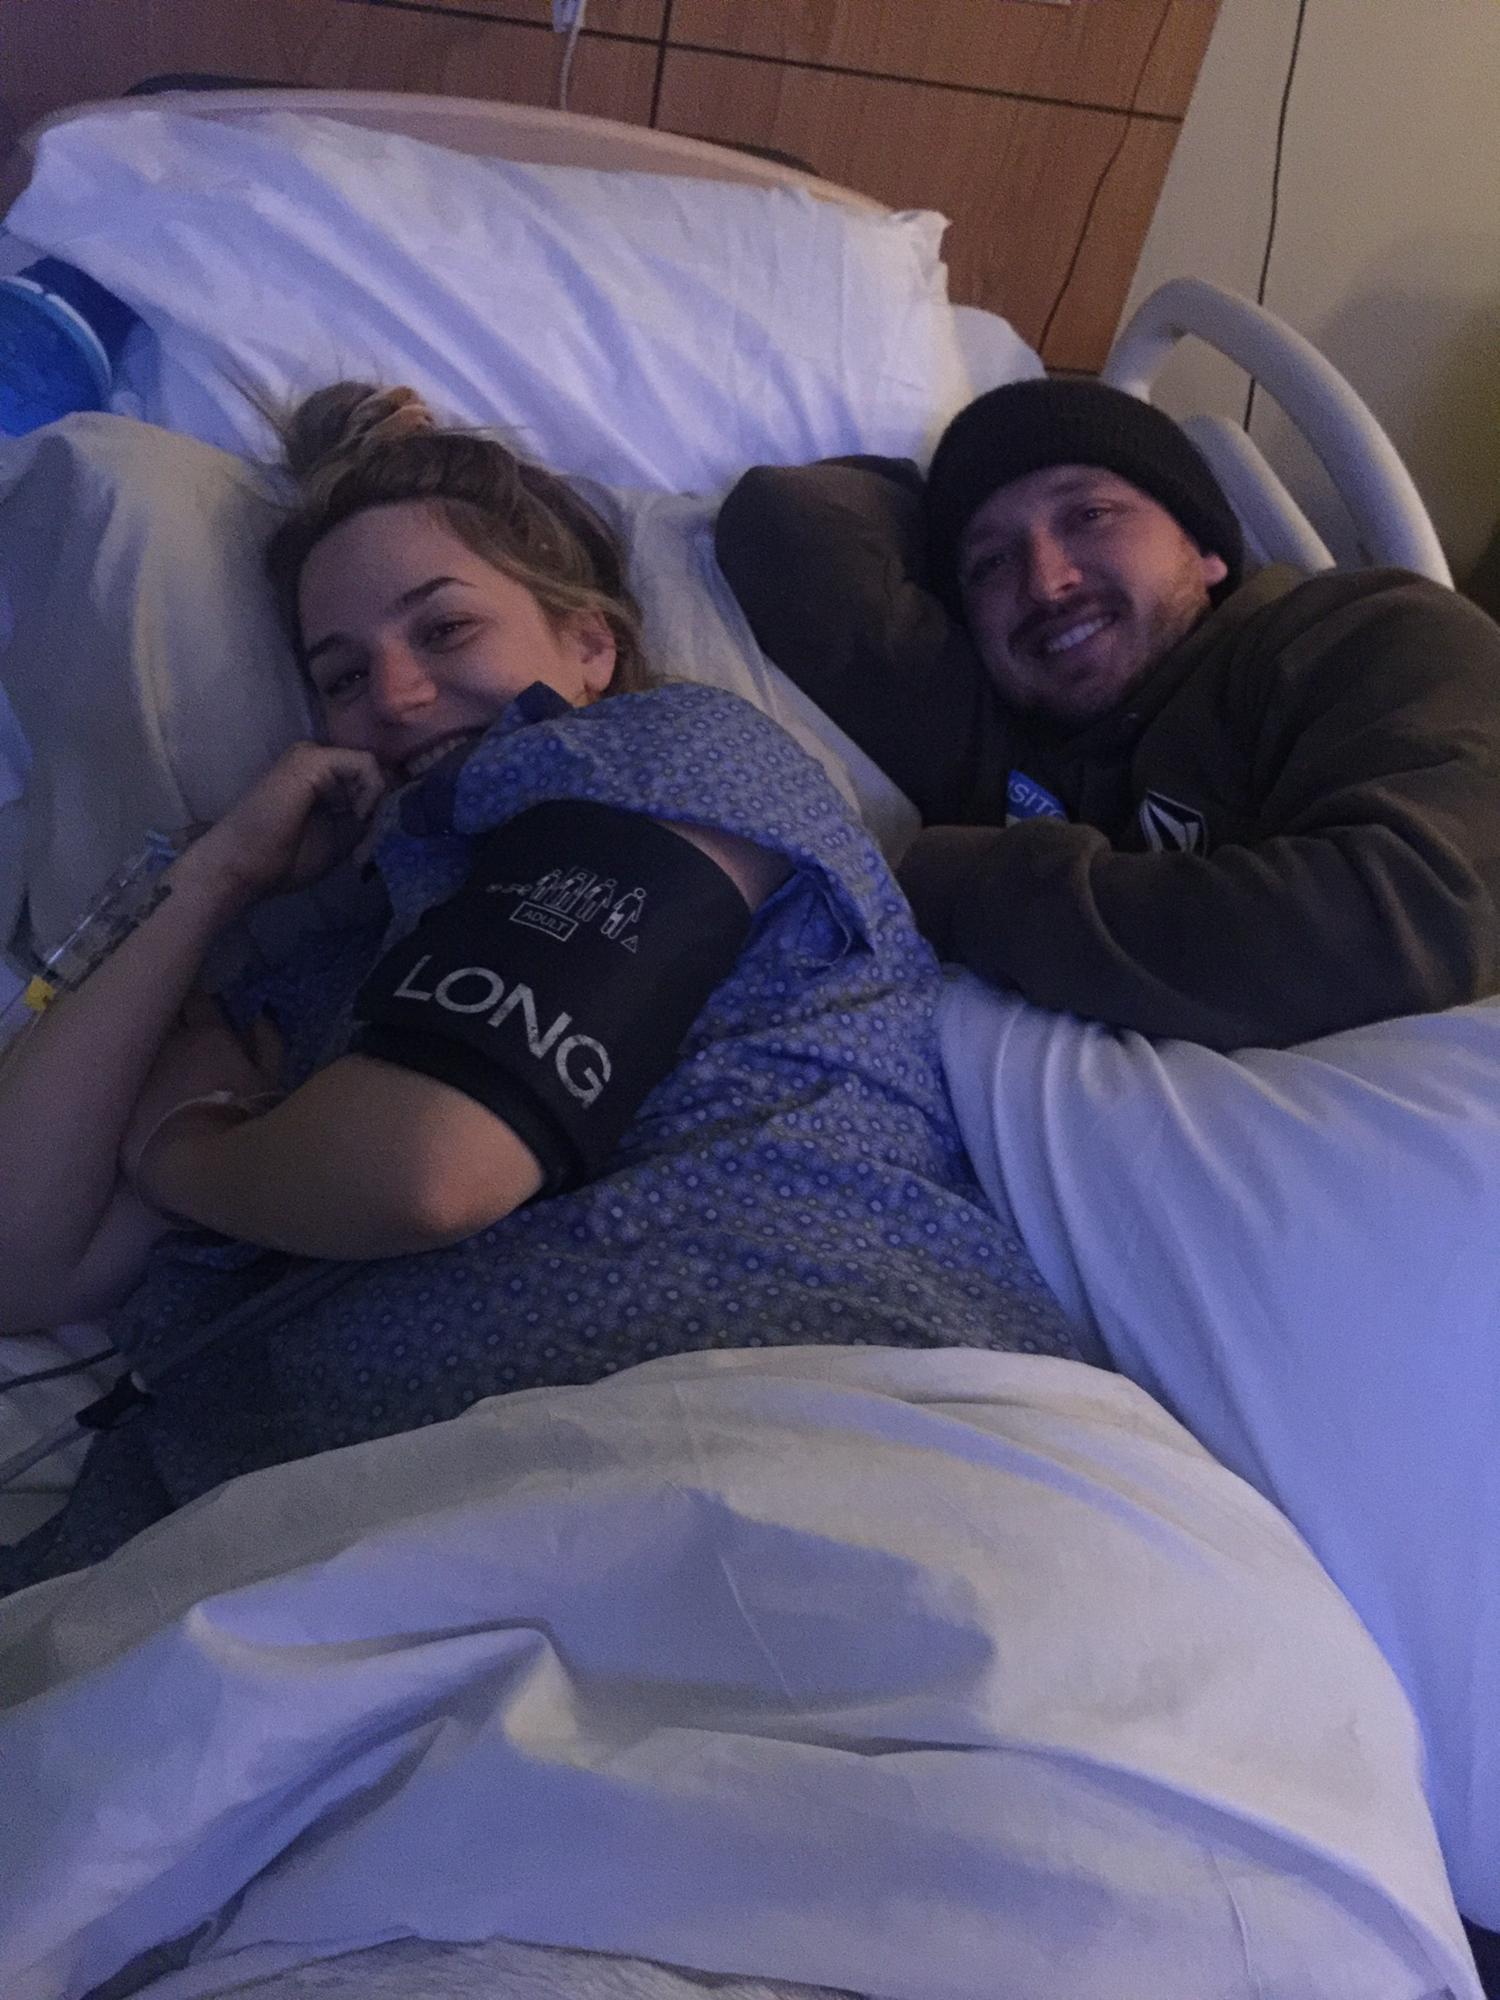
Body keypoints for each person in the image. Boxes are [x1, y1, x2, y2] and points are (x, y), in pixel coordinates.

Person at [0, 384, 1078, 1597]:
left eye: (446, 628)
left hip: (809, 1452)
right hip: (360, 1551)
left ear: (590, 645)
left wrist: (186, 1151)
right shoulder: (336, 972)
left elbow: (432, 1167)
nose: (394, 696)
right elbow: (22, 1258)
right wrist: (216, 878)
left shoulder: (676, 760)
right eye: (341, 675)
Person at [714, 377, 1500, 1050]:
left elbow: (1404, 926)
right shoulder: (994, 732)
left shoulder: (1372, 637)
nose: (1045, 581)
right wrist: (951, 493)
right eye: (991, 562)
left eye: (1089, 515)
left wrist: (970, 885)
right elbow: (784, 523)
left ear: (1207, 549)